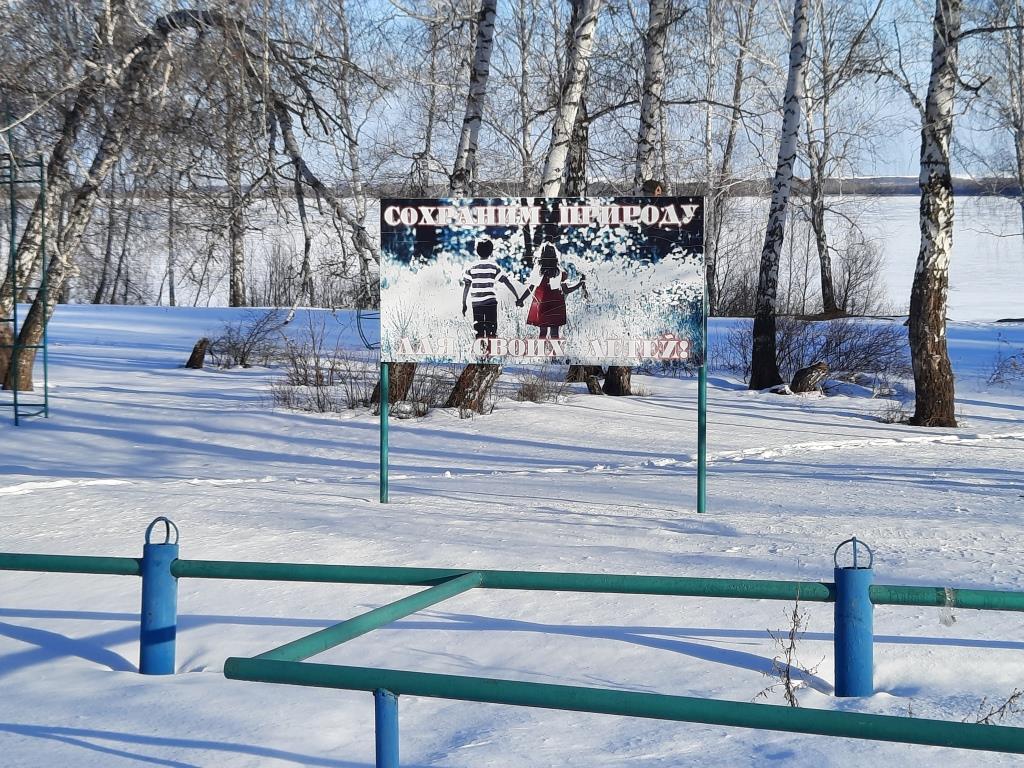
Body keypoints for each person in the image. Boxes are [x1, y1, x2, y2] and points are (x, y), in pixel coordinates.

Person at [518, 243, 586, 339]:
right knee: (554, 333)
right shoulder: (559, 272)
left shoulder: (539, 270)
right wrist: (580, 283)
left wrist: (521, 299)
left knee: (543, 332)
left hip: (543, 302)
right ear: (555, 255)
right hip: (557, 303)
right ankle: (555, 353)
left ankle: (542, 352)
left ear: (542, 255)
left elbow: (531, 287)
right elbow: (566, 290)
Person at [461, 238, 520, 339]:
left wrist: (464, 303)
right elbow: (507, 282)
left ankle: (481, 352)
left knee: (478, 330)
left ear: (476, 251)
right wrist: (517, 297)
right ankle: (491, 352)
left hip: (477, 304)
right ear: (491, 252)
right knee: (492, 329)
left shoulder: (471, 267)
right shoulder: (494, 267)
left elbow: (467, 285)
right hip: (491, 303)